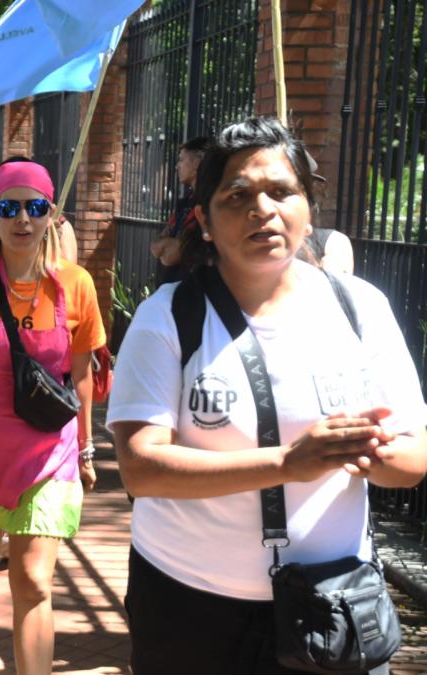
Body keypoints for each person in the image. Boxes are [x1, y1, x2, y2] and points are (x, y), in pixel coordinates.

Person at [108, 117, 427, 674]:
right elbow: (142, 468)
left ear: (308, 208)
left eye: (282, 191)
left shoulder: (360, 307)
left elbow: (413, 459)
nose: (263, 209)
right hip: (190, 607)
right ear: (204, 220)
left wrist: (370, 450)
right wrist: (287, 463)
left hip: (331, 603)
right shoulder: (169, 316)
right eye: (238, 196)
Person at [0, 161, 103, 675]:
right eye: (9, 207)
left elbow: (81, 376)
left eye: (35, 207)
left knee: (33, 580)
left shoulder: (76, 285)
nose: (22, 220)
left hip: (48, 454)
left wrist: (85, 446)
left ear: (52, 214)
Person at [151, 136, 212, 284]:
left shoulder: (212, 203)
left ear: (196, 163)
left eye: (181, 160)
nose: (177, 166)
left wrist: (177, 245)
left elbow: (173, 252)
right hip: (174, 285)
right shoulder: (184, 203)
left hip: (198, 287)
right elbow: (157, 247)